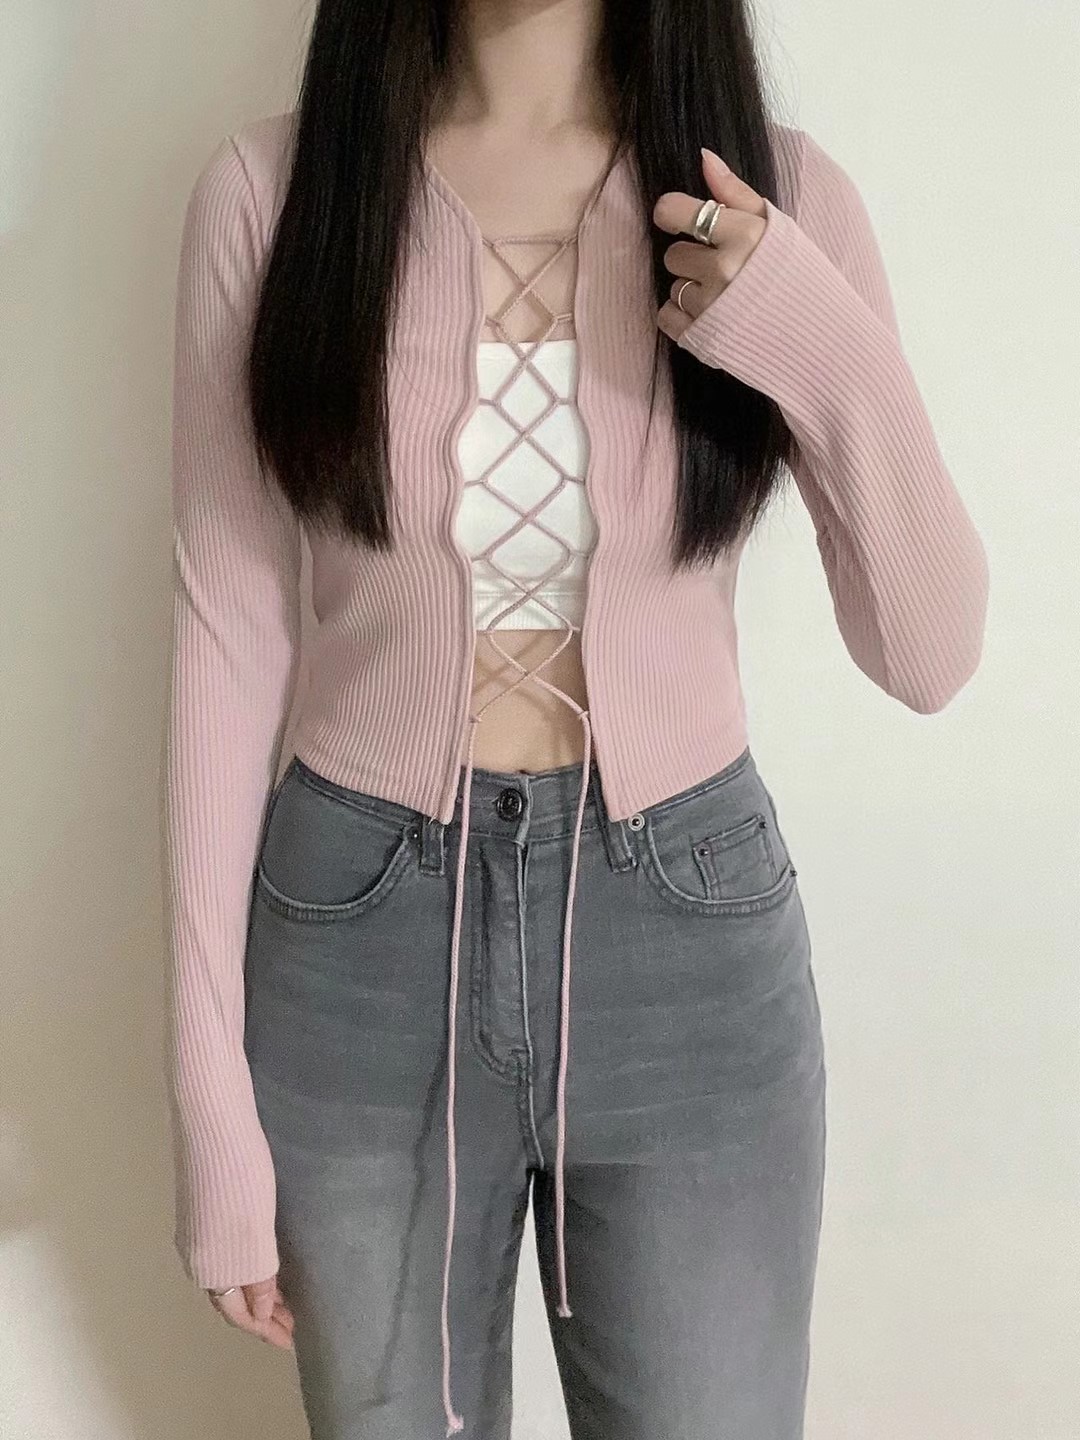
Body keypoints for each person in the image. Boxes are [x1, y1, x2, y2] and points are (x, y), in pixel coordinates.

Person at [162, 1, 989, 1436]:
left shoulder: (779, 198)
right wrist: (206, 1101)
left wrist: (814, 336)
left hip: (685, 945)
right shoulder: (273, 195)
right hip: (357, 956)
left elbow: (931, 653)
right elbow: (225, 638)